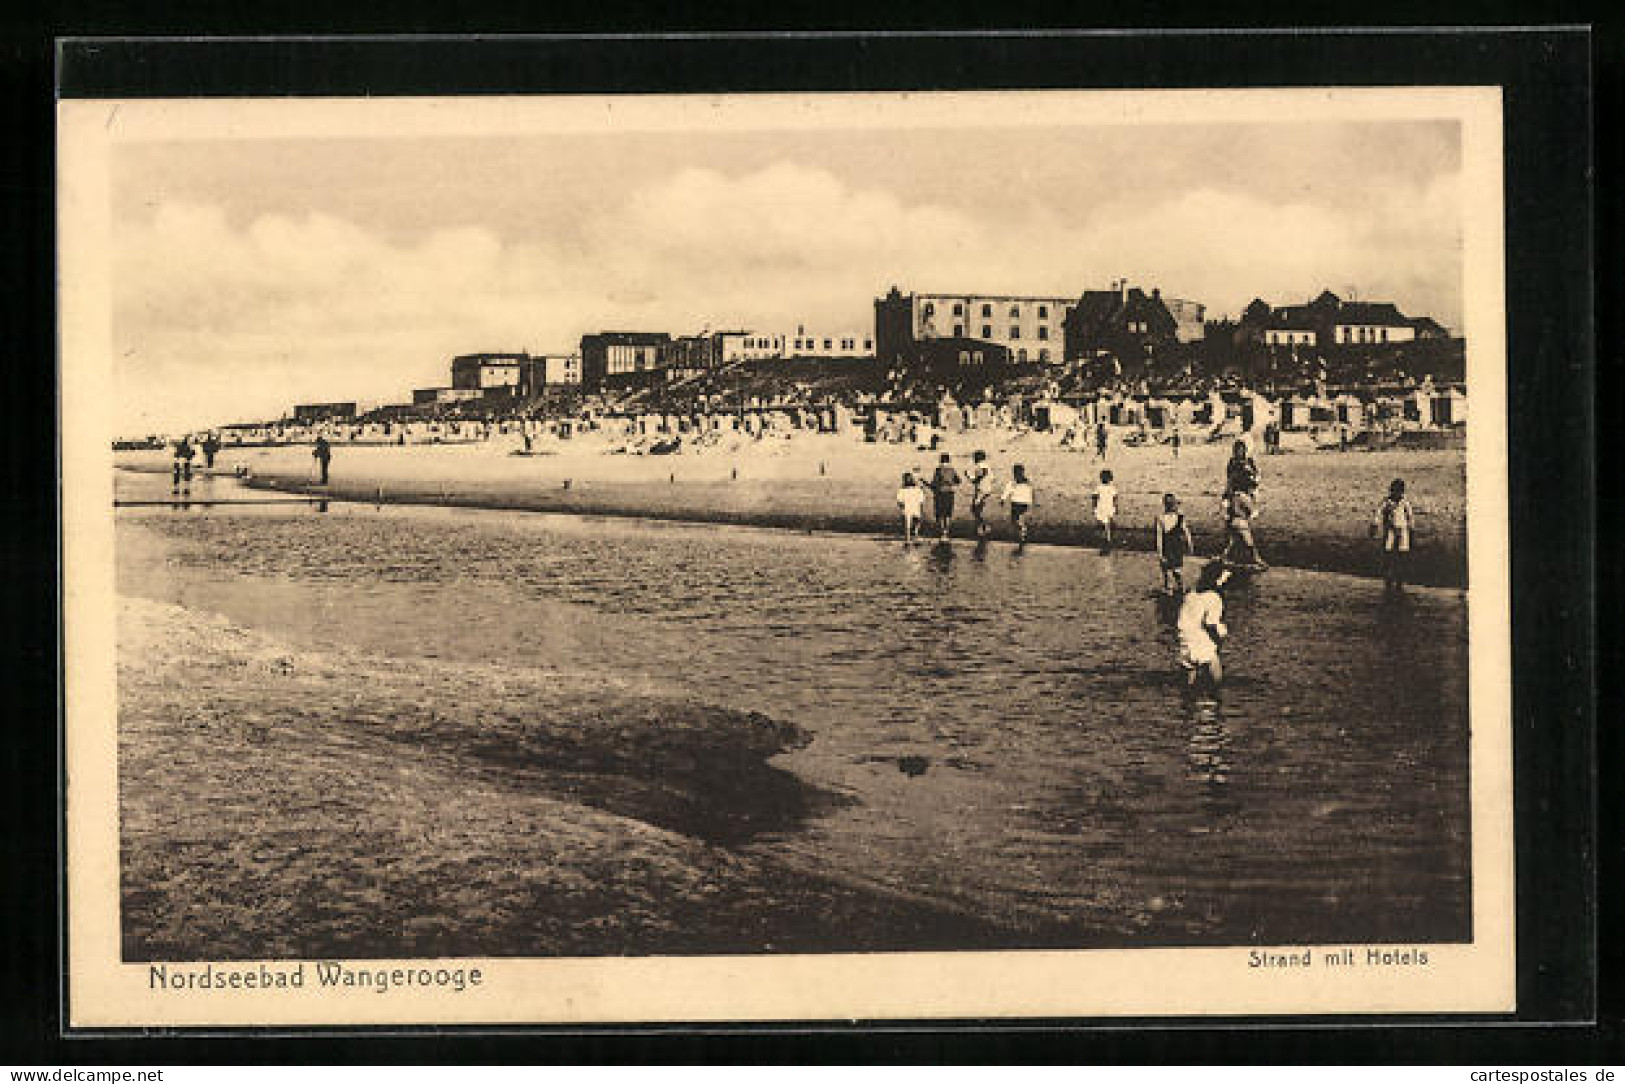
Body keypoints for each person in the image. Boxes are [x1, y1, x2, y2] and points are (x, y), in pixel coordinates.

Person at [1177, 560, 1231, 693]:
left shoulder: (1191, 594)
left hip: (1185, 641)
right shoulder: (1214, 598)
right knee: (1216, 685)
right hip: (1203, 642)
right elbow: (1210, 624)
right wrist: (1218, 642)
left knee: (1189, 687)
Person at [1371, 478, 1415, 590]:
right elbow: (1378, 512)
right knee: (1388, 551)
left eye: (1399, 491)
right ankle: (1388, 576)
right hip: (1390, 529)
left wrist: (1411, 528)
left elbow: (1410, 516)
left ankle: (1400, 578)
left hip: (1403, 529)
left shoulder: (1405, 502)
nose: (1397, 494)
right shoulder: (1387, 501)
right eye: (1395, 491)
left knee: (1402, 552)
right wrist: (1375, 524)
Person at [1155, 493, 1195, 594]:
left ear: (1164, 504)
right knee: (1177, 569)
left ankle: (1169, 590)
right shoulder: (1180, 517)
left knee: (1166, 571)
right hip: (1177, 545)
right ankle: (1181, 588)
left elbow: (1159, 537)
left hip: (1167, 545)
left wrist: (1160, 553)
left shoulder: (1160, 518)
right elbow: (1186, 532)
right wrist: (1190, 545)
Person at [1220, 487, 1266, 569]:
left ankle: (1224, 558)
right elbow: (1253, 513)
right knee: (1249, 544)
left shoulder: (1233, 496)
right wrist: (1256, 509)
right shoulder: (1244, 498)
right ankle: (1257, 561)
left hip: (1232, 521)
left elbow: (1226, 509)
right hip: (1241, 523)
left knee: (1233, 541)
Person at [929, 452, 962, 540]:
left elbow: (934, 482)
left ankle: (942, 532)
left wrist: (929, 485)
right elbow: (958, 481)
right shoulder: (952, 470)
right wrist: (950, 483)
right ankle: (946, 531)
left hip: (940, 493)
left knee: (940, 513)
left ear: (940, 460)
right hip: (950, 492)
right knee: (947, 513)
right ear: (949, 460)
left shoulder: (938, 469)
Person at [1001, 464, 1034, 544]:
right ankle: (1022, 532)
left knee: (1015, 519)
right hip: (1024, 503)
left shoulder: (1013, 482)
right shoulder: (1027, 482)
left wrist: (1003, 499)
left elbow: (1007, 491)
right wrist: (1030, 502)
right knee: (1019, 517)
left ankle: (1022, 532)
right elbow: (1030, 493)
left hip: (1017, 502)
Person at [968, 450, 993, 539]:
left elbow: (978, 478)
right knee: (977, 509)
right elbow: (991, 478)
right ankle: (982, 527)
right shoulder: (987, 466)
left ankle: (983, 527)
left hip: (981, 490)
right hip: (986, 489)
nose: (973, 459)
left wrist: (968, 476)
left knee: (975, 509)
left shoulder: (980, 466)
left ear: (978, 458)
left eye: (974, 457)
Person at [896, 472, 925, 544]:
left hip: (907, 509)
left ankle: (908, 538)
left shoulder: (902, 490)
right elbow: (921, 501)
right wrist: (921, 510)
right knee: (916, 522)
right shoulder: (918, 489)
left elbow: (899, 501)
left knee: (907, 525)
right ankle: (915, 535)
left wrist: (902, 508)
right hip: (915, 508)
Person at [1092, 469, 1118, 549]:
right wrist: (1095, 507)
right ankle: (1106, 540)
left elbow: (1114, 499)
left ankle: (1107, 540)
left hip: (1108, 507)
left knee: (1107, 524)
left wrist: (1115, 507)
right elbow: (1095, 498)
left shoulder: (1111, 488)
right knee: (1104, 524)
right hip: (1102, 507)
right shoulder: (1099, 487)